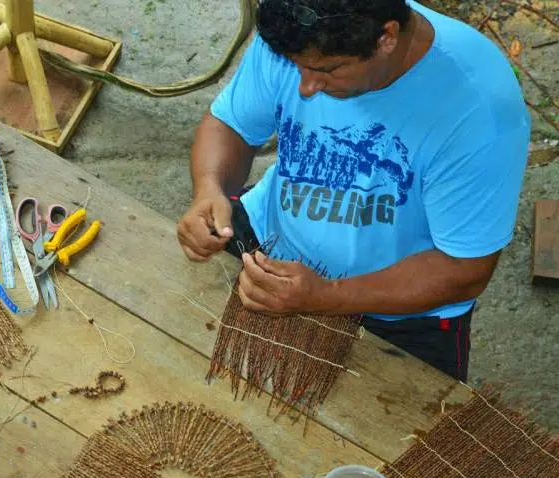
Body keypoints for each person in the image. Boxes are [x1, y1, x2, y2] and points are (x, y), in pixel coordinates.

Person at [177, 0, 530, 381]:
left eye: (327, 70)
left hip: (398, 314)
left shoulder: (479, 111)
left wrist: (326, 296)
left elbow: (466, 268)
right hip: (265, 244)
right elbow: (230, 124)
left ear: (387, 38)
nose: (306, 87)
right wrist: (209, 187)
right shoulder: (301, 29)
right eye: (295, 65)